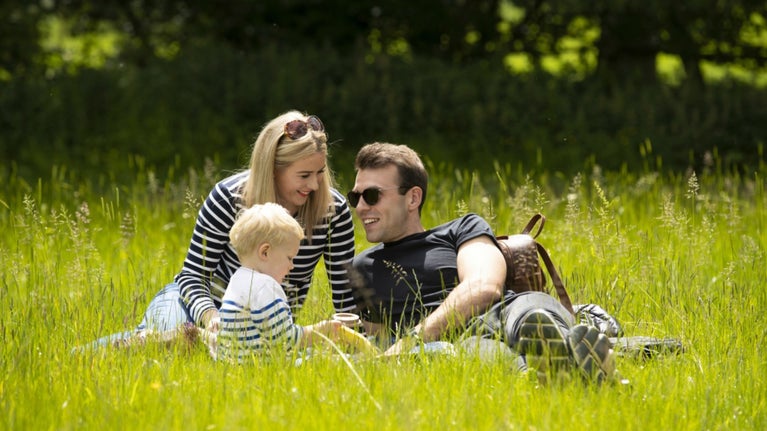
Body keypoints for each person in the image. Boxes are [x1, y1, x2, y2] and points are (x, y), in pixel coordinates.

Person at [347, 142, 617, 382]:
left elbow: (484, 285)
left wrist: (414, 339)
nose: (360, 207)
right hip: (458, 340)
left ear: (413, 198)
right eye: (355, 197)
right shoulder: (361, 268)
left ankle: (561, 354)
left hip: (505, 311)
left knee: (532, 315)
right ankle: (571, 369)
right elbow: (377, 340)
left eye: (372, 195)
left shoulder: (461, 229)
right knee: (477, 352)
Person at [86, 110, 356, 349]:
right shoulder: (229, 197)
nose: (316, 185)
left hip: (261, 323)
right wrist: (211, 318)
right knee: (172, 342)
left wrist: (354, 340)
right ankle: (88, 356)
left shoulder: (333, 211)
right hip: (197, 308)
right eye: (304, 176)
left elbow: (346, 295)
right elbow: (192, 276)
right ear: (273, 169)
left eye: (320, 172)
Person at [215, 202, 351, 362]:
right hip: (263, 366)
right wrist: (321, 331)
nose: (292, 266)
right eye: (289, 258)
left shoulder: (237, 280)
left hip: (240, 365)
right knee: (338, 360)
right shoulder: (265, 286)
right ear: (265, 252)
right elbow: (284, 341)